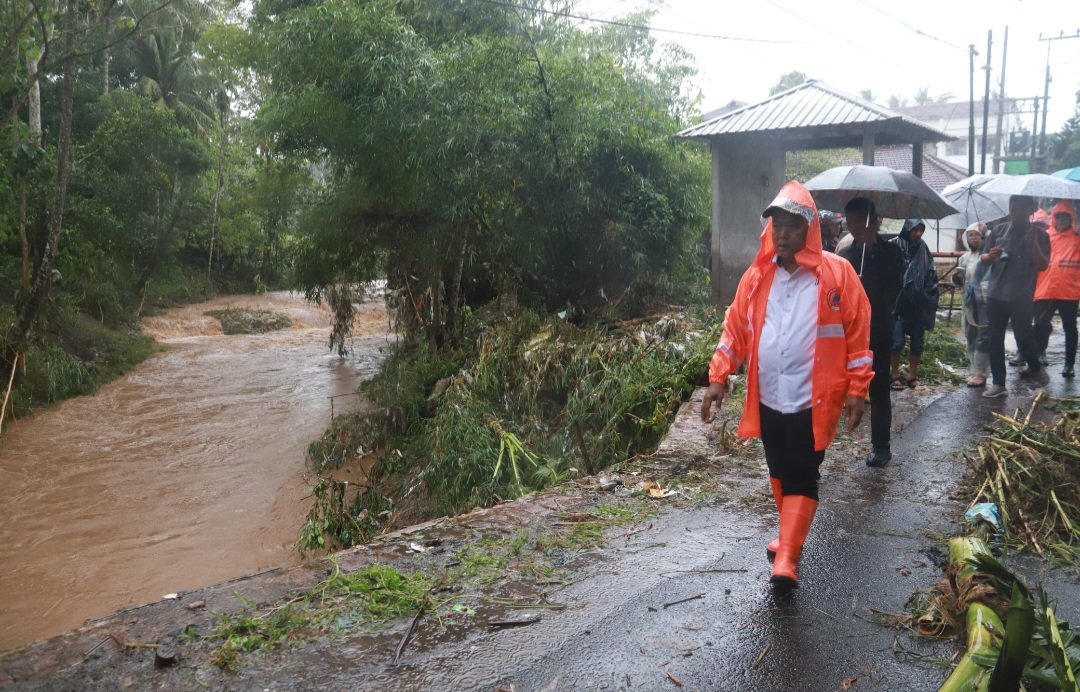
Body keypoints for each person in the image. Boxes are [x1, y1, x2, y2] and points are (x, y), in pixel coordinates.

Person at [700, 180, 873, 591]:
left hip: (816, 397)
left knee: (803, 473)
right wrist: (718, 376)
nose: (781, 233)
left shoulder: (837, 276)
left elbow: (859, 334)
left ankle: (788, 559)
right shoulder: (757, 278)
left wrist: (857, 388)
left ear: (809, 230)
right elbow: (735, 332)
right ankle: (788, 533)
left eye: (791, 226)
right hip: (769, 396)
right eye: (776, 224)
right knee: (779, 468)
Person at [837, 197, 903, 467]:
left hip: (878, 330)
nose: (854, 227)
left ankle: (880, 446)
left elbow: (897, 287)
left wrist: (871, 283)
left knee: (879, 389)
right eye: (849, 222)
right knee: (841, 387)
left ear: (873, 221)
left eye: (859, 221)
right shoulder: (845, 257)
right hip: (849, 335)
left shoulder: (891, 253)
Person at [980, 195, 1051, 397]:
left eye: (1020, 208)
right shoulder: (999, 231)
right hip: (996, 294)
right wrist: (990, 255)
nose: (1016, 212)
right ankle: (999, 384)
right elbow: (983, 260)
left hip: (1022, 295)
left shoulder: (1040, 235)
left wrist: (1033, 244)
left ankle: (1035, 367)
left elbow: (1043, 265)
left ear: (1030, 210)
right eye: (1012, 208)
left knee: (1024, 337)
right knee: (994, 339)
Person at [1032, 200, 1080, 378]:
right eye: (1058, 215)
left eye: (1065, 216)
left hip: (1069, 291)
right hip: (1045, 288)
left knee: (1070, 328)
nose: (1061, 219)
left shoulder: (1077, 237)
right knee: (1040, 325)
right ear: (1053, 217)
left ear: (1071, 218)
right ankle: (1039, 352)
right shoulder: (1045, 235)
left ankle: (1069, 364)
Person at [890, 219, 939, 388]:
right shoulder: (894, 245)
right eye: (914, 230)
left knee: (918, 343)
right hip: (898, 305)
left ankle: (912, 375)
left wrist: (928, 293)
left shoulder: (923, 248)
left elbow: (930, 270)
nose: (918, 233)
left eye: (920, 230)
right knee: (896, 342)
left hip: (918, 304)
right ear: (907, 229)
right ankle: (894, 374)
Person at [953, 222, 990, 386]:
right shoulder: (965, 257)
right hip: (969, 303)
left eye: (977, 235)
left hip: (985, 301)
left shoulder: (989, 256)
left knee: (983, 336)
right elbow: (960, 282)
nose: (974, 238)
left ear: (984, 237)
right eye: (970, 235)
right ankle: (974, 369)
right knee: (970, 335)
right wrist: (956, 279)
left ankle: (981, 373)